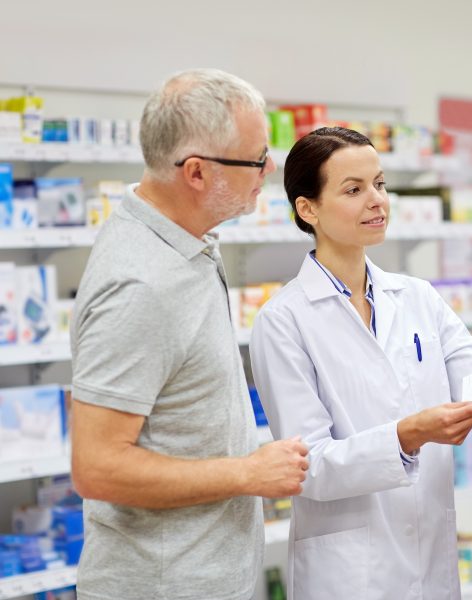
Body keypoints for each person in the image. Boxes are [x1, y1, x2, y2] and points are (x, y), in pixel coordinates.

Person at [250, 126, 472, 599]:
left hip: (431, 567)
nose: (377, 200)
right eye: (354, 189)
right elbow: (307, 466)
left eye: (379, 184)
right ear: (308, 208)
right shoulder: (283, 320)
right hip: (349, 577)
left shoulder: (417, 297)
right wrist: (408, 435)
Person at [69, 68, 309, 600]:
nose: (269, 168)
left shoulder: (185, 242)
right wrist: (247, 473)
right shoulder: (142, 283)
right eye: (255, 159)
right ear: (196, 173)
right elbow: (97, 467)